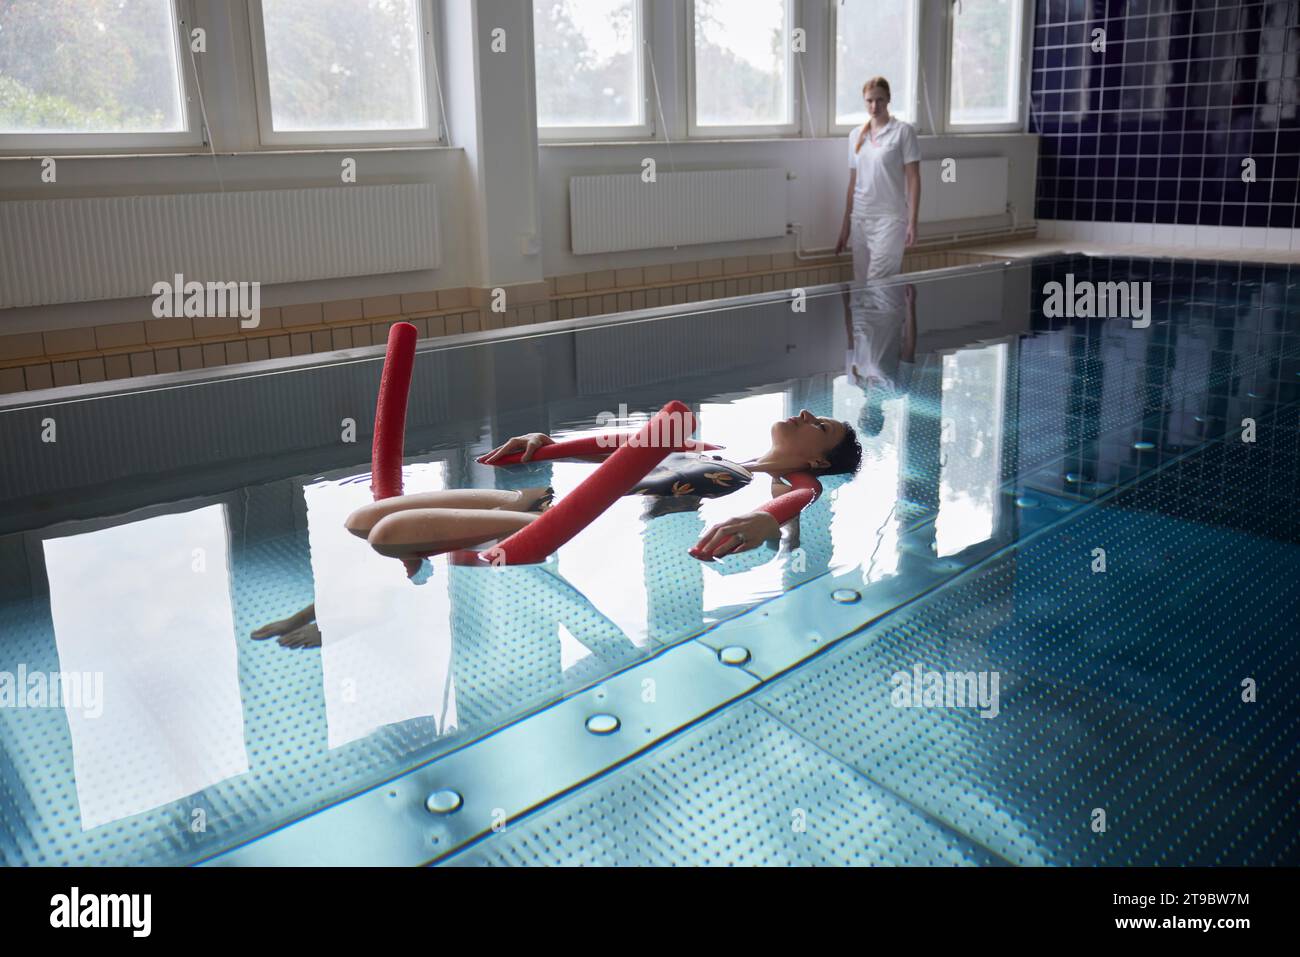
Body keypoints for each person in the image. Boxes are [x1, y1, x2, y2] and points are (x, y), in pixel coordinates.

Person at [349, 409, 861, 564]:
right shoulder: (718, 454)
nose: (806, 414)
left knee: (386, 534)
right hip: (543, 502)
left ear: (817, 459)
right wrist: (548, 443)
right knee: (362, 519)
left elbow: (803, 499)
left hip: (561, 524)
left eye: (821, 426)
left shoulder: (783, 482)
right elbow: (624, 444)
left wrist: (769, 517)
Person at [834, 76, 921, 283]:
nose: (874, 106)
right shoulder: (856, 135)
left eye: (880, 100)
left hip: (890, 220)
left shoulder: (903, 132)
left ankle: (890, 315)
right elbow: (853, 184)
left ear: (888, 99)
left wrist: (913, 222)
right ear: (864, 101)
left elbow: (914, 179)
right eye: (869, 101)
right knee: (861, 286)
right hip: (861, 220)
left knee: (879, 285)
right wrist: (845, 226)